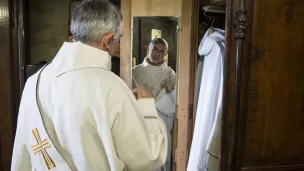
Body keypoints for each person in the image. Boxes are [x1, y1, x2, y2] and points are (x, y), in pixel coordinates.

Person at [11, 0, 168, 171]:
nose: (118, 45)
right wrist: (146, 107)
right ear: (108, 40)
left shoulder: (34, 82)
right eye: (118, 39)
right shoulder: (112, 87)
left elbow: (22, 156)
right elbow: (148, 158)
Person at [132, 38, 176, 171]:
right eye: (155, 49)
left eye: (162, 51)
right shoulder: (135, 71)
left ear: (165, 54)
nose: (157, 54)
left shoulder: (170, 73)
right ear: (148, 49)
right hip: (140, 126)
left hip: (162, 126)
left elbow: (179, 103)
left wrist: (171, 89)